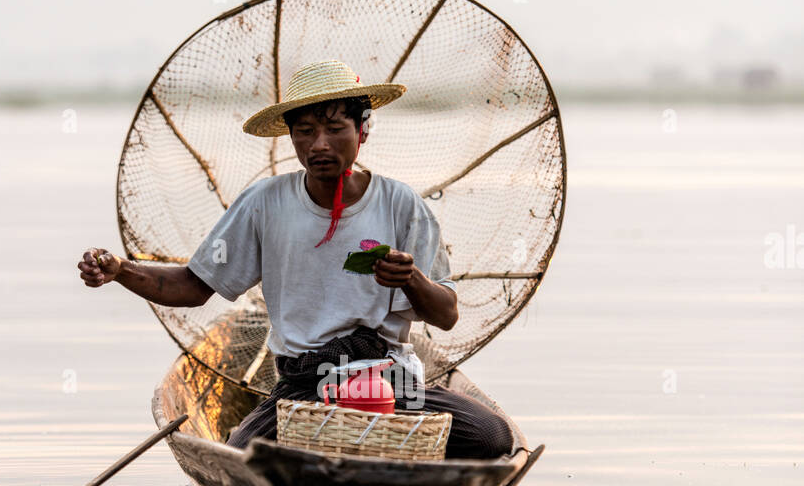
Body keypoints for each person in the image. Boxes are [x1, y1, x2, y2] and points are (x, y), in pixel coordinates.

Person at [78, 59, 514, 459]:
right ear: (291, 138)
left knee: (491, 438)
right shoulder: (266, 203)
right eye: (305, 131)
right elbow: (192, 287)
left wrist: (412, 279)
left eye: (335, 128)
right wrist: (120, 270)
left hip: (387, 379)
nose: (319, 144)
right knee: (243, 459)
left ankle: (409, 479)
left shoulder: (400, 205)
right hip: (304, 384)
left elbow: (447, 315)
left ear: (362, 130)